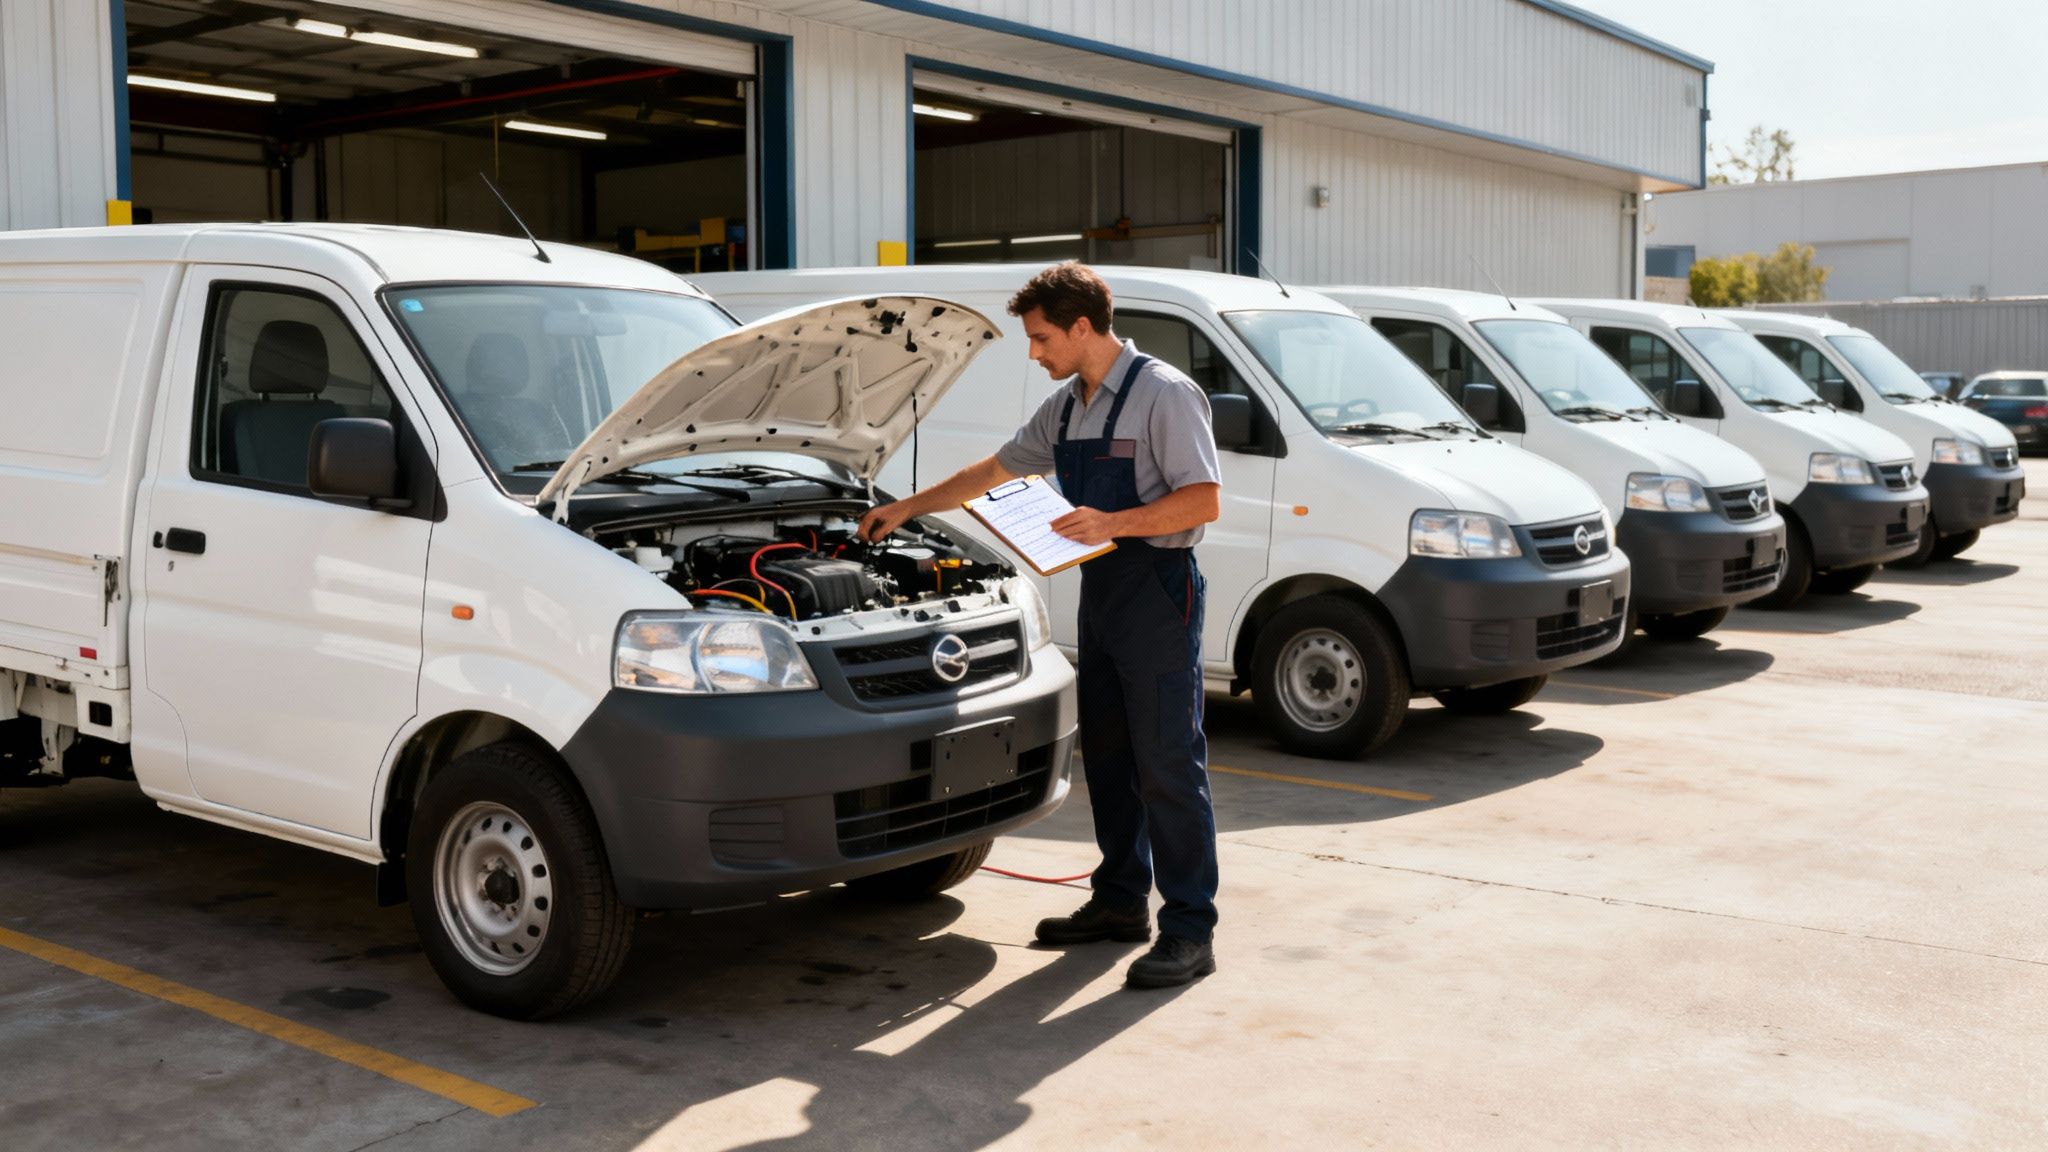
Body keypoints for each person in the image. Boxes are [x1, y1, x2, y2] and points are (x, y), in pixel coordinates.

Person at [860, 262, 1223, 989]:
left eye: (1041, 337)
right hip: (1102, 594)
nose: (1035, 353)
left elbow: (1204, 500)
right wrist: (907, 507)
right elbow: (993, 471)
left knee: (1168, 763)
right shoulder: (1065, 409)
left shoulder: (1164, 394)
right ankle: (1120, 901)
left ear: (1082, 327)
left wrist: (1114, 520)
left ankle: (1188, 927)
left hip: (1159, 591)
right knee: (1113, 759)